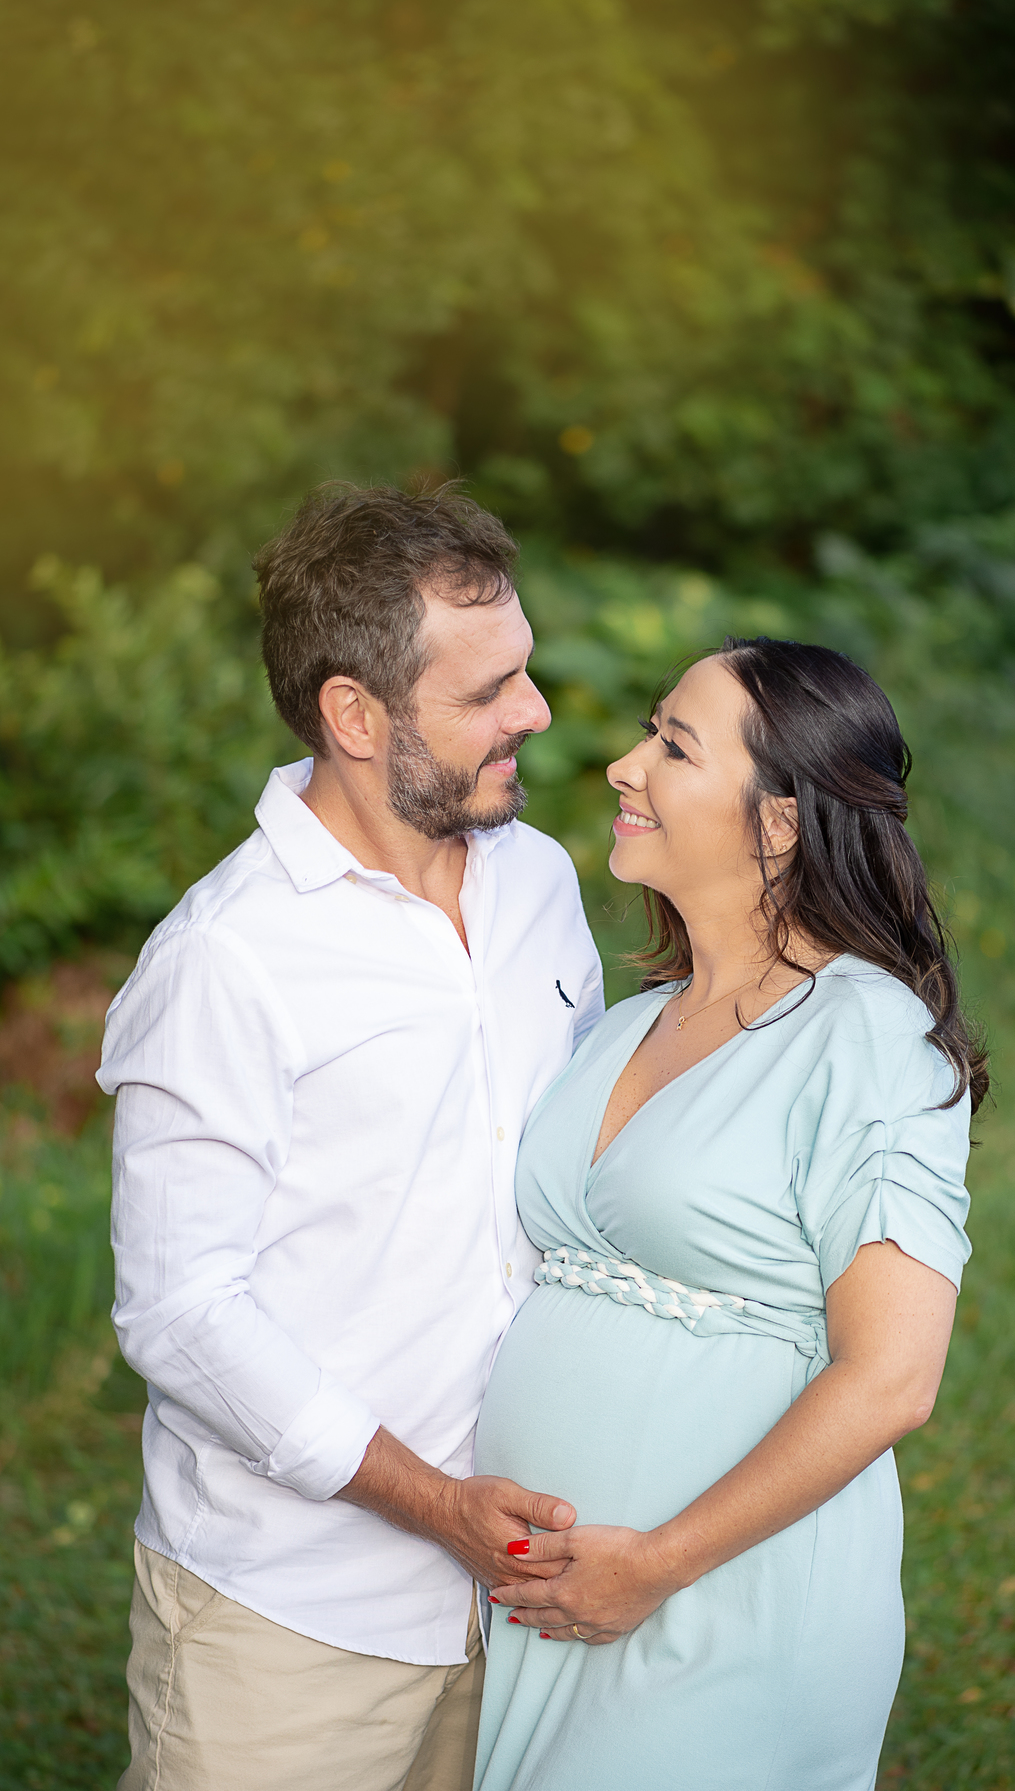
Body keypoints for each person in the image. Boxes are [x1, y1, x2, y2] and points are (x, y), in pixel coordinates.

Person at [96, 483, 604, 1791]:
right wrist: (437, 1503)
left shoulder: (541, 883)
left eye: (527, 673)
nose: (534, 713)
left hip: (522, 1614)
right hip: (288, 1629)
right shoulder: (227, 960)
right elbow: (183, 1310)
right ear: (355, 713)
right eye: (489, 690)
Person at [473, 638, 988, 1791]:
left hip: (719, 1600)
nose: (620, 765)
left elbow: (895, 1376)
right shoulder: (624, 1022)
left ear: (779, 824)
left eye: (672, 745)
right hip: (548, 1602)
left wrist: (657, 1561)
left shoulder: (865, 1036)